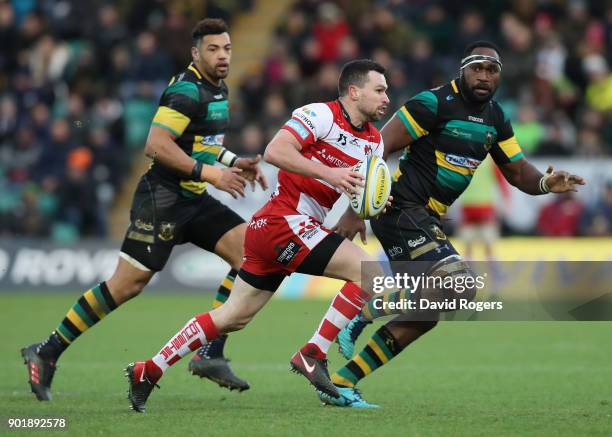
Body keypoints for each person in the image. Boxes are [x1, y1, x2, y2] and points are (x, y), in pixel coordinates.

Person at [322, 41, 585, 408]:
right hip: (400, 209)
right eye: (477, 67)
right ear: (462, 69)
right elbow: (376, 149)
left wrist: (545, 183)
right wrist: (356, 209)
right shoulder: (433, 103)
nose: (484, 75)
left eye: (492, 70)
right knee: (460, 285)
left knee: (426, 313)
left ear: (499, 76)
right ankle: (363, 313)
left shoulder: (495, 117)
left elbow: (518, 170)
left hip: (425, 217)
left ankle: (341, 382)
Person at [21, 18, 267, 401]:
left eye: (227, 48)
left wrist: (233, 160)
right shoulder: (187, 90)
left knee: (251, 256)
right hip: (163, 198)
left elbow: (197, 140)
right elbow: (156, 144)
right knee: (126, 286)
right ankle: (47, 350)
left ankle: (209, 352)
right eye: (214, 49)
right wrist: (212, 175)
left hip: (192, 196)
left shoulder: (216, 88)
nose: (222, 56)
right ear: (195, 52)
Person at [124, 59, 390, 413]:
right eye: (379, 90)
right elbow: (276, 152)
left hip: (282, 231)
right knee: (369, 272)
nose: (386, 98)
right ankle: (312, 354)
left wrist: (357, 213)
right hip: (284, 222)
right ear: (354, 92)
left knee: (232, 316)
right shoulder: (320, 115)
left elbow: (358, 188)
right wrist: (331, 173)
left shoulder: (374, 142)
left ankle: (148, 369)